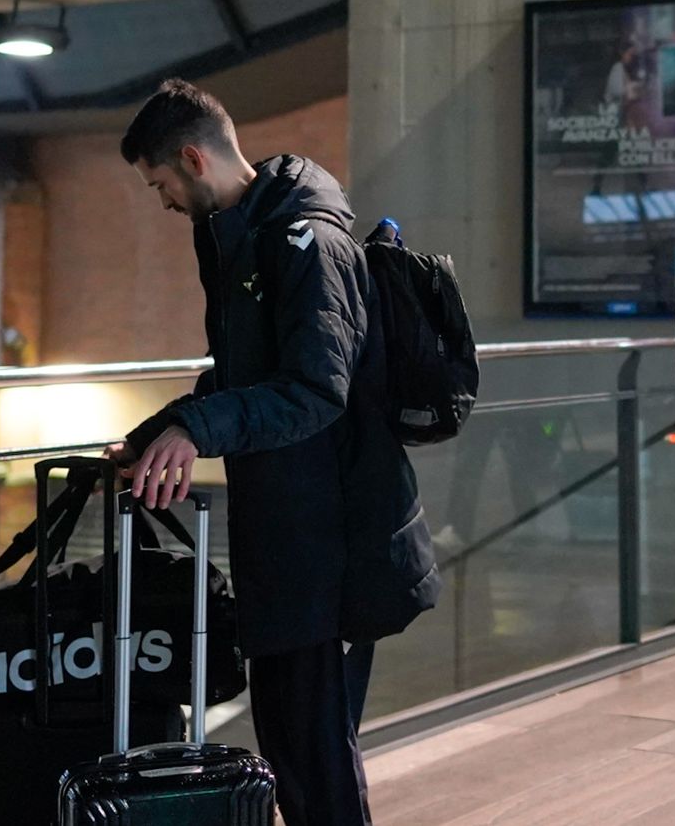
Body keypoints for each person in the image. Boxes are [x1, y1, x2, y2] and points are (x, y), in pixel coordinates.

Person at [106, 79, 438, 826]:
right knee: (291, 755)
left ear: (193, 158)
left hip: (334, 549)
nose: (162, 201)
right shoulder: (236, 235)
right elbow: (241, 375)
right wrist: (159, 430)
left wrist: (196, 430)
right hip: (287, 545)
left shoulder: (310, 243)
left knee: (318, 766)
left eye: (160, 183)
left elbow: (316, 392)